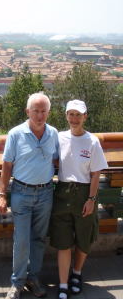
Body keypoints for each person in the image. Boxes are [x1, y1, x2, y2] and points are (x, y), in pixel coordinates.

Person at [0, 92, 58, 299]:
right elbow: (6, 165)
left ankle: (33, 277)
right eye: (35, 111)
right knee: (21, 240)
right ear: (27, 112)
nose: (40, 116)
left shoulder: (53, 133)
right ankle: (18, 282)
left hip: (46, 192)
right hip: (21, 192)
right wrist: (2, 194)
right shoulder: (15, 134)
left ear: (48, 112)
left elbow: (57, 160)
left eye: (43, 111)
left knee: (39, 239)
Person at [50, 100, 108, 299]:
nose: (74, 119)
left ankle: (77, 273)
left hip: (84, 193)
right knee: (63, 241)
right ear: (66, 116)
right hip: (63, 191)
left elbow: (95, 174)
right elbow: (53, 159)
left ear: (85, 116)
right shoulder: (59, 138)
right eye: (71, 114)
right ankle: (64, 283)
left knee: (84, 237)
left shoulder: (92, 141)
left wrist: (91, 199)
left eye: (78, 114)